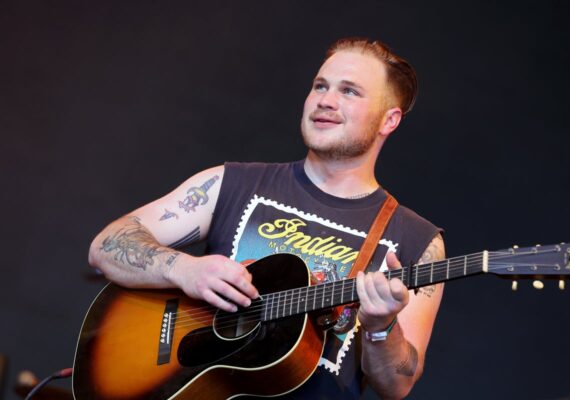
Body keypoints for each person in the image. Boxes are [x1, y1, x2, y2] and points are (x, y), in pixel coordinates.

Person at [89, 37, 445, 399]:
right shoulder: (231, 183)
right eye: (320, 86)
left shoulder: (418, 241)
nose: (326, 100)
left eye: (349, 91)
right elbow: (106, 245)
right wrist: (183, 269)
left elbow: (397, 385)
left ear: (389, 120)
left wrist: (381, 327)